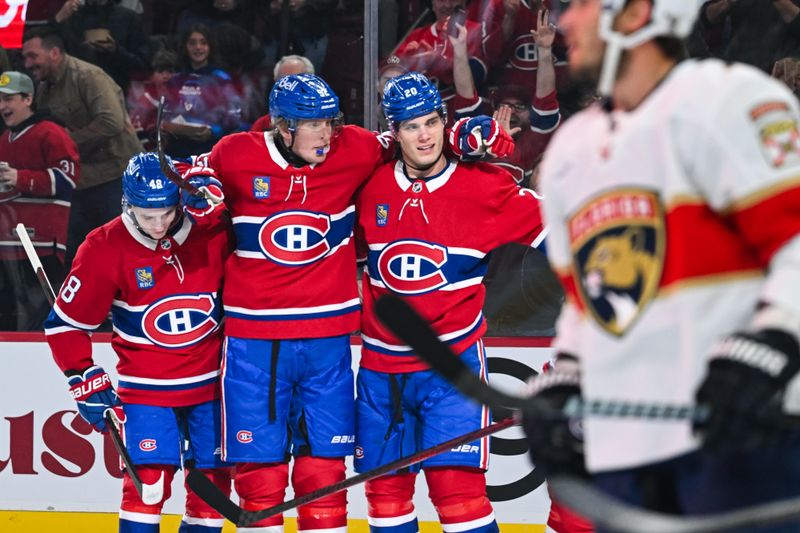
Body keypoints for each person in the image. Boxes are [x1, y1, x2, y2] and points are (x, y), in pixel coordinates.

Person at [187, 72, 513, 533]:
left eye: (330, 122)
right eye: (312, 124)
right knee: (261, 481)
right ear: (283, 126)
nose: (325, 134)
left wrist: (465, 134)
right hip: (253, 342)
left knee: (326, 474)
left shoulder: (355, 148)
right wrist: (197, 186)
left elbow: (416, 142)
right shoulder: (234, 154)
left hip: (328, 341)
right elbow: (184, 174)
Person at [523, 1, 800, 531]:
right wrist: (568, 375)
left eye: (579, 5)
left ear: (635, 16)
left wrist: (770, 349)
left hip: (745, 440)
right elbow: (589, 305)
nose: (564, 23)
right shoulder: (570, 153)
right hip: (631, 449)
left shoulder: (731, 101)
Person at [353, 71, 545, 533]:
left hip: (451, 364)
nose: (423, 135)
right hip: (382, 367)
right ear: (393, 132)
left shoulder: (483, 187)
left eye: (431, 123)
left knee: (457, 493)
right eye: (410, 126)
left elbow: (561, 235)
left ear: (445, 122)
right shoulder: (368, 186)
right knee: (385, 494)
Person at [43, 152, 233, 533]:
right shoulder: (102, 247)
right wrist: (83, 375)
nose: (160, 224)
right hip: (147, 391)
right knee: (148, 485)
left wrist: (219, 190)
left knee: (212, 487)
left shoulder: (213, 228)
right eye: (148, 216)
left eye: (167, 212)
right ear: (127, 205)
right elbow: (65, 326)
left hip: (214, 388)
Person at [21, 29, 143, 272]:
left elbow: (111, 122)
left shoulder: (88, 76)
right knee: (78, 250)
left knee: (121, 246)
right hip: (81, 179)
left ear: (54, 53)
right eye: (25, 58)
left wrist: (67, 144)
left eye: (33, 56)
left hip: (114, 175)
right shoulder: (45, 87)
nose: (28, 64)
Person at [0, 71, 79, 331]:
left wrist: (19, 178)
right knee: (11, 314)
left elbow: (67, 179)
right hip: (8, 244)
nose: (3, 106)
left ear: (28, 99)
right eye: (0, 99)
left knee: (37, 314)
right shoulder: (4, 139)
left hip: (42, 245)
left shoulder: (51, 132)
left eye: (9, 99)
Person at [161, 23, 242, 158]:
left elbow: (234, 117)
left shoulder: (221, 79)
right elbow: (164, 116)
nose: (198, 47)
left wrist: (214, 131)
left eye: (203, 43)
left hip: (210, 151)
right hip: (176, 151)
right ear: (185, 47)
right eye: (192, 43)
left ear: (210, 47)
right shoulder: (175, 80)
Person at [53, 0, 152, 94]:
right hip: (74, 95)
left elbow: (143, 65)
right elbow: (45, 51)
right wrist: (57, 21)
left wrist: (115, 51)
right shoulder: (71, 17)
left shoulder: (127, 18)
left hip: (112, 94)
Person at [250, 54, 315, 132]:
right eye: (283, 81)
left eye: (295, 81)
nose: (289, 87)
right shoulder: (261, 125)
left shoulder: (326, 124)